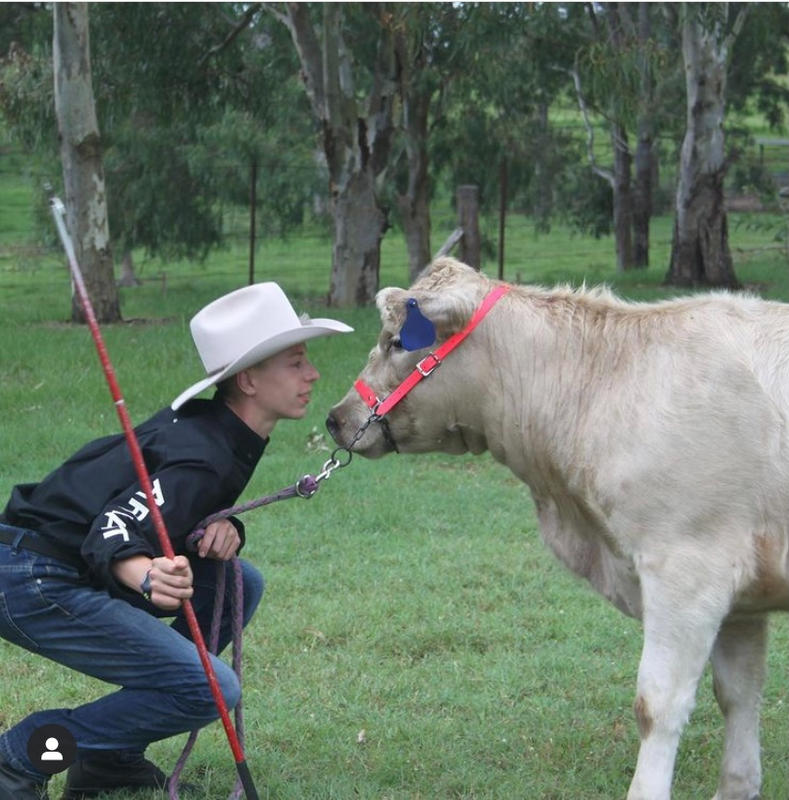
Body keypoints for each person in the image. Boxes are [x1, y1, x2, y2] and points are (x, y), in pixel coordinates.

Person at [0, 282, 352, 800]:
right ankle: (24, 752)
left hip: (49, 563)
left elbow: (164, 503)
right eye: (296, 361)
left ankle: (110, 759)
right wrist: (145, 574)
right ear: (249, 379)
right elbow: (113, 527)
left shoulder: (220, 432)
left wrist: (227, 527)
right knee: (211, 688)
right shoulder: (204, 452)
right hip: (33, 576)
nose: (313, 374)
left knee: (237, 582)